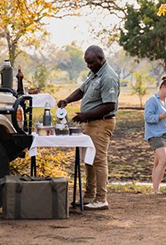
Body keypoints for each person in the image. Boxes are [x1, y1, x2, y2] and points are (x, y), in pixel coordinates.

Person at [57, 45, 120, 210]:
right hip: (90, 123)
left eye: (91, 62)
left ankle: (101, 199)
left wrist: (86, 115)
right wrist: (67, 100)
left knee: (98, 160)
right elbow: (82, 90)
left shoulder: (108, 77)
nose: (88, 66)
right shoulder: (94, 73)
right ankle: (89, 195)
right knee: (88, 160)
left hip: (101, 122)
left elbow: (109, 105)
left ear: (100, 58)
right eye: (87, 63)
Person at [144, 75, 166, 194]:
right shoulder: (152, 100)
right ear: (162, 86)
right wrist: (163, 115)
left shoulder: (165, 101)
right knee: (164, 160)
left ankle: (156, 189)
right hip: (155, 135)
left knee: (158, 163)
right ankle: (155, 190)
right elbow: (148, 117)